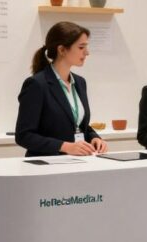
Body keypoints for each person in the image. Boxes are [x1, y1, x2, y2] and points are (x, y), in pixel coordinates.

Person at [16, 21, 107, 157]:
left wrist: (94, 138)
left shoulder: (80, 83)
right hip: (46, 164)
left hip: (77, 162)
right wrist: (64, 146)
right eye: (81, 47)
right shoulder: (36, 84)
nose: (87, 52)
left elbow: (78, 124)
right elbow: (23, 135)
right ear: (62, 50)